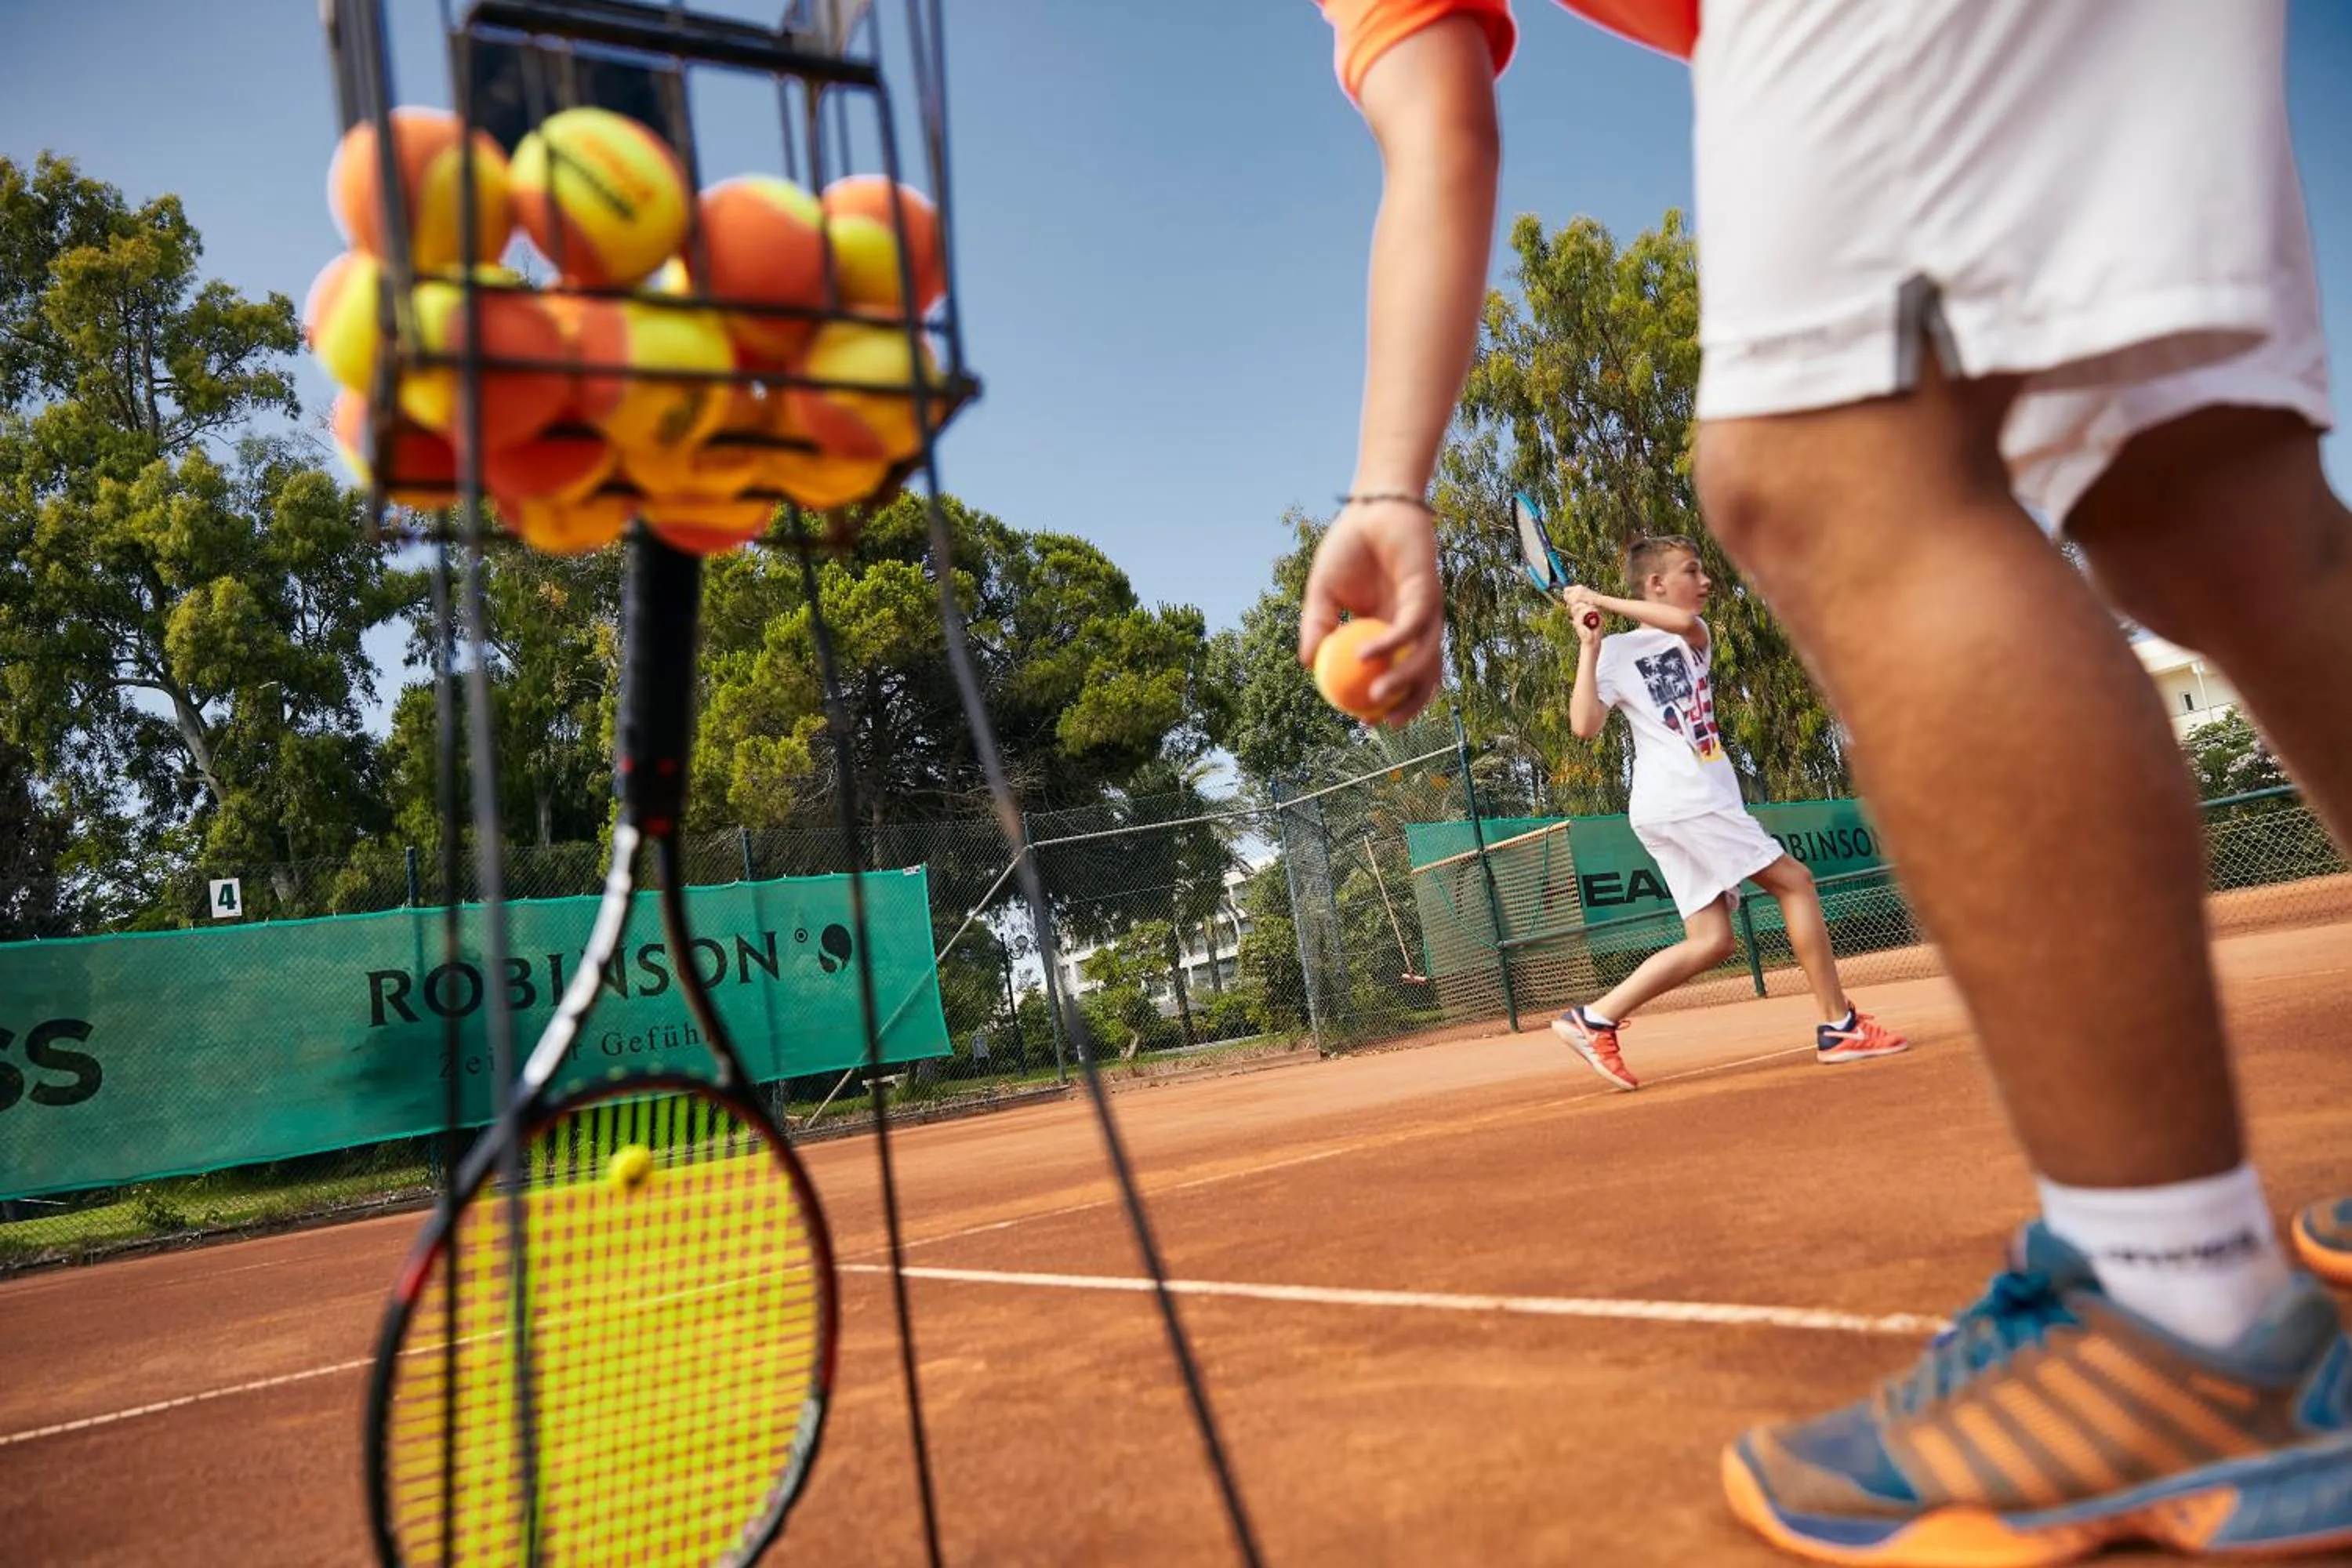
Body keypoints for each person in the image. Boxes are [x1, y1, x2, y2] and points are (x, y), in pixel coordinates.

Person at [1299, 1, 2352, 1561]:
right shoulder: (1648, 646)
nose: (1689, 591)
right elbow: (1597, 721)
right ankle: (1692, 1020)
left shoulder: (1669, 628)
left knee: (1830, 468)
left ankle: (2180, 1310)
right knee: (2201, 497)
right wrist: (1573, 618)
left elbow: (1437, 121)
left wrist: (1392, 483)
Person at [1550, 534, 1907, 1090]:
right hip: (1683, 799)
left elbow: (1670, 624)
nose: (1706, 580)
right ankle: (1839, 1027)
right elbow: (1585, 726)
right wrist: (1590, 646)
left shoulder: (1694, 635)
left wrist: (1604, 602)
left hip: (1677, 805)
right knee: (1795, 882)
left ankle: (1593, 1019)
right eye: (1692, 571)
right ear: (1657, 583)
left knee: (1711, 940)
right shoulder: (1616, 653)